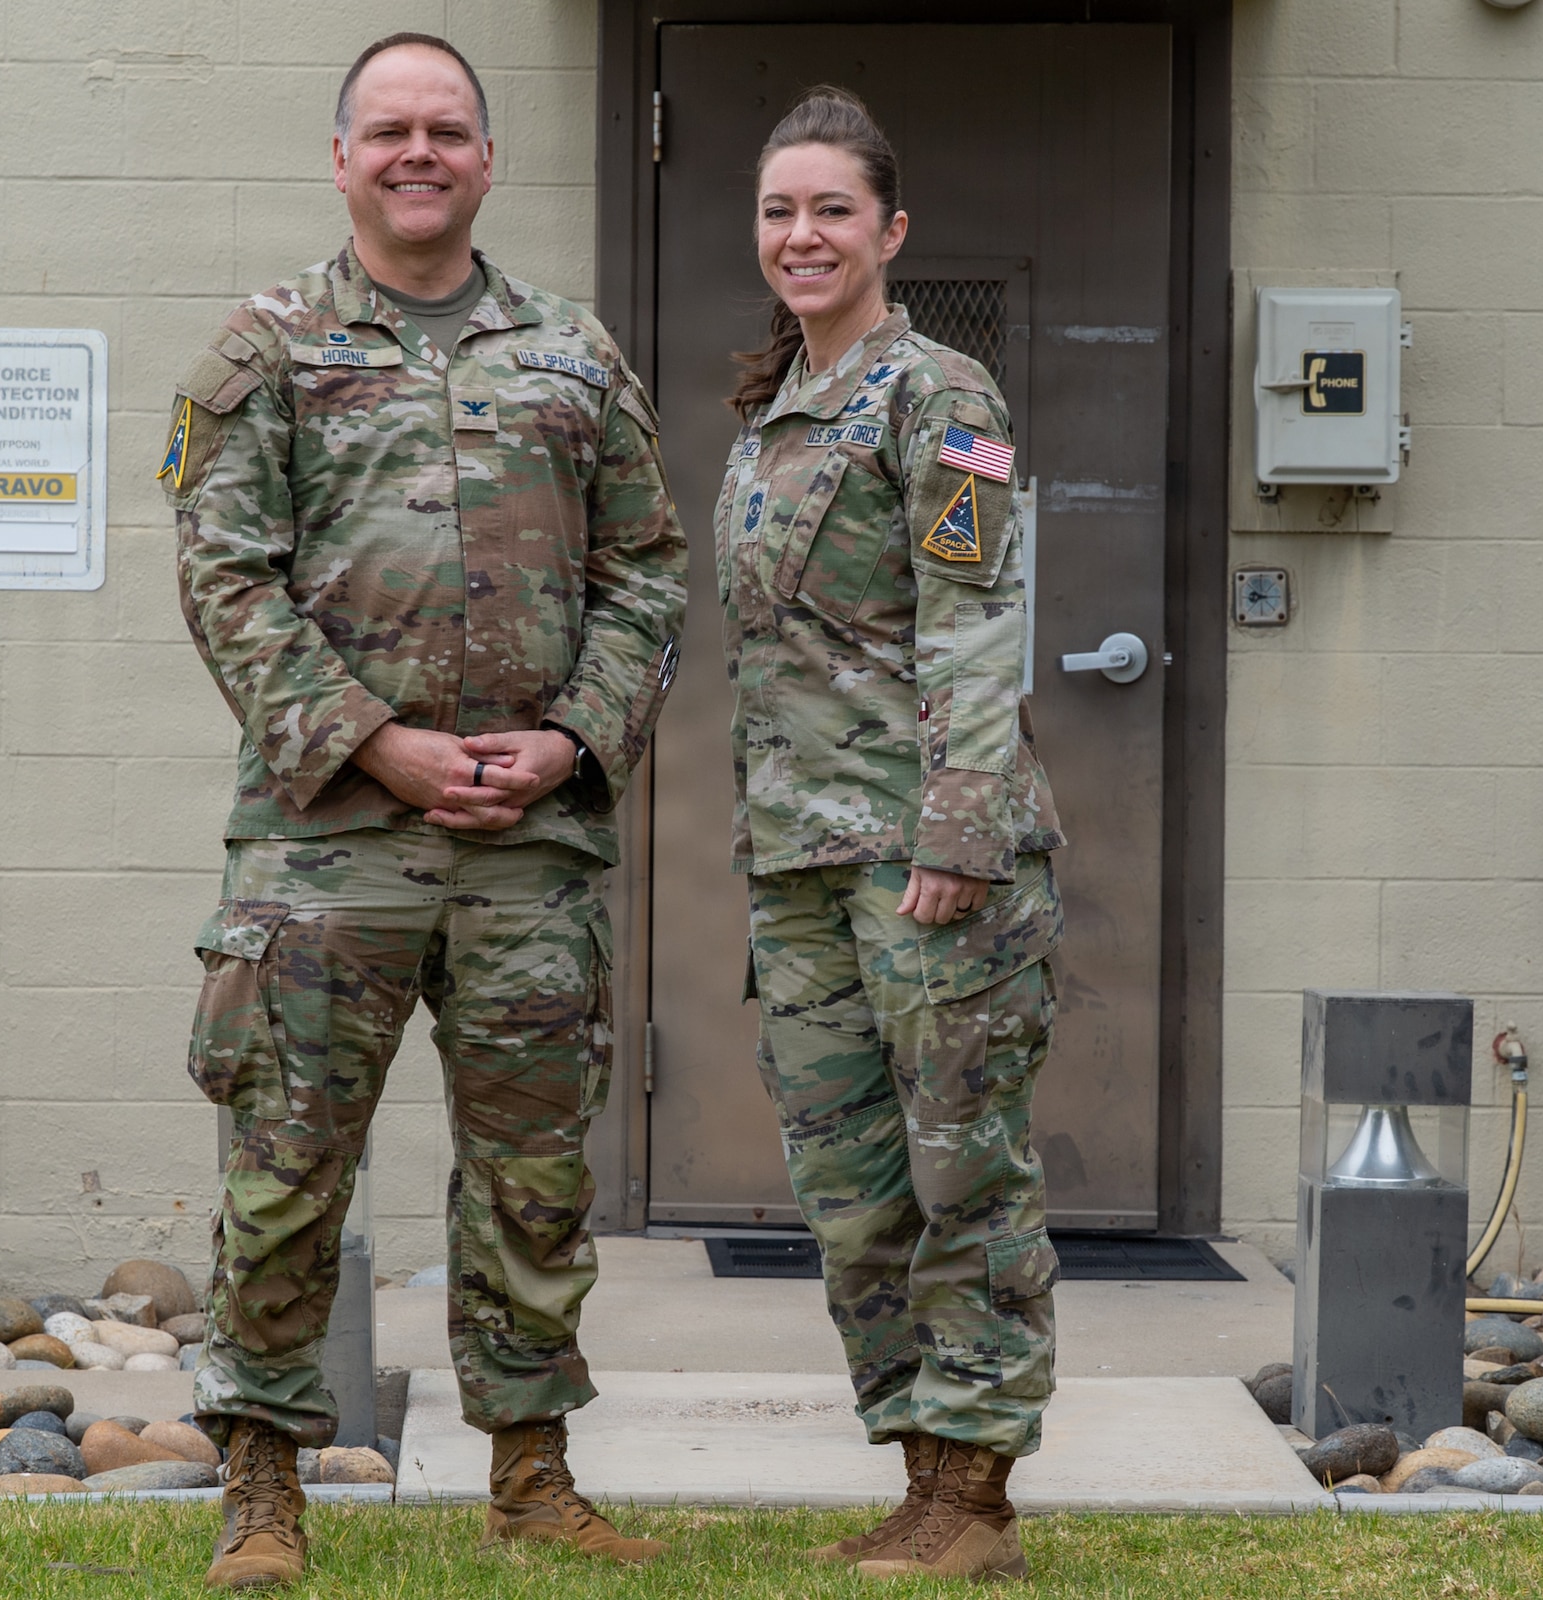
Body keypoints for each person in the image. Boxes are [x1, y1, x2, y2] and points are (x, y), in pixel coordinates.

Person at [159, 31, 686, 1590]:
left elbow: (647, 571)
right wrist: (370, 740)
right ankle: (262, 1489)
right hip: (327, 843)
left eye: (446, 129)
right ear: (342, 158)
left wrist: (575, 738)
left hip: (529, 849)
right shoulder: (265, 352)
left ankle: (530, 1476)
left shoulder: (576, 355)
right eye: (388, 129)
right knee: (286, 1166)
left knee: (534, 1177)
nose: (418, 151)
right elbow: (224, 577)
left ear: (485, 158)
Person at [715, 88, 1066, 1582]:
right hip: (800, 862)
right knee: (851, 1190)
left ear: (890, 230)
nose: (803, 234)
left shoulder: (943, 396)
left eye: (832, 210)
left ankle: (978, 1497)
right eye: (781, 210)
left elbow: (978, 625)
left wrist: (959, 834)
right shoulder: (774, 407)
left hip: (925, 867)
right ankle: (922, 1476)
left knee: (959, 1175)